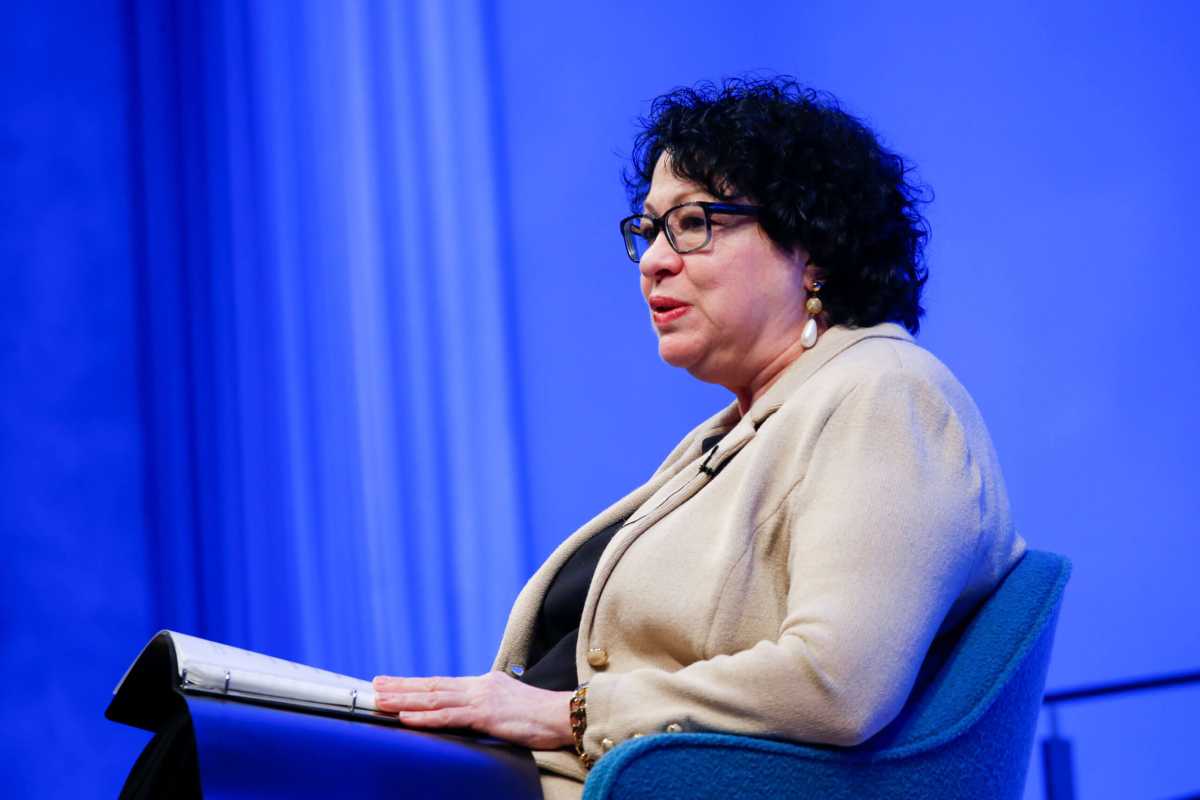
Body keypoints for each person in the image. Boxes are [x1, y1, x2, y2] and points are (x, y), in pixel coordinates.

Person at [372, 77, 1025, 799]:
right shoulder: (735, 430)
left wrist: (573, 713)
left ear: (811, 248)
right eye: (650, 229)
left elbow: (835, 681)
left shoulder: (887, 394)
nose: (654, 258)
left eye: (693, 223)